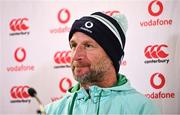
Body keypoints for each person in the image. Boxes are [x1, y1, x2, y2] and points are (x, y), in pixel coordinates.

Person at [45, 11, 159, 114]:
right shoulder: (51, 111)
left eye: (88, 46)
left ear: (112, 55)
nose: (76, 56)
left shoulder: (141, 108)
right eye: (73, 46)